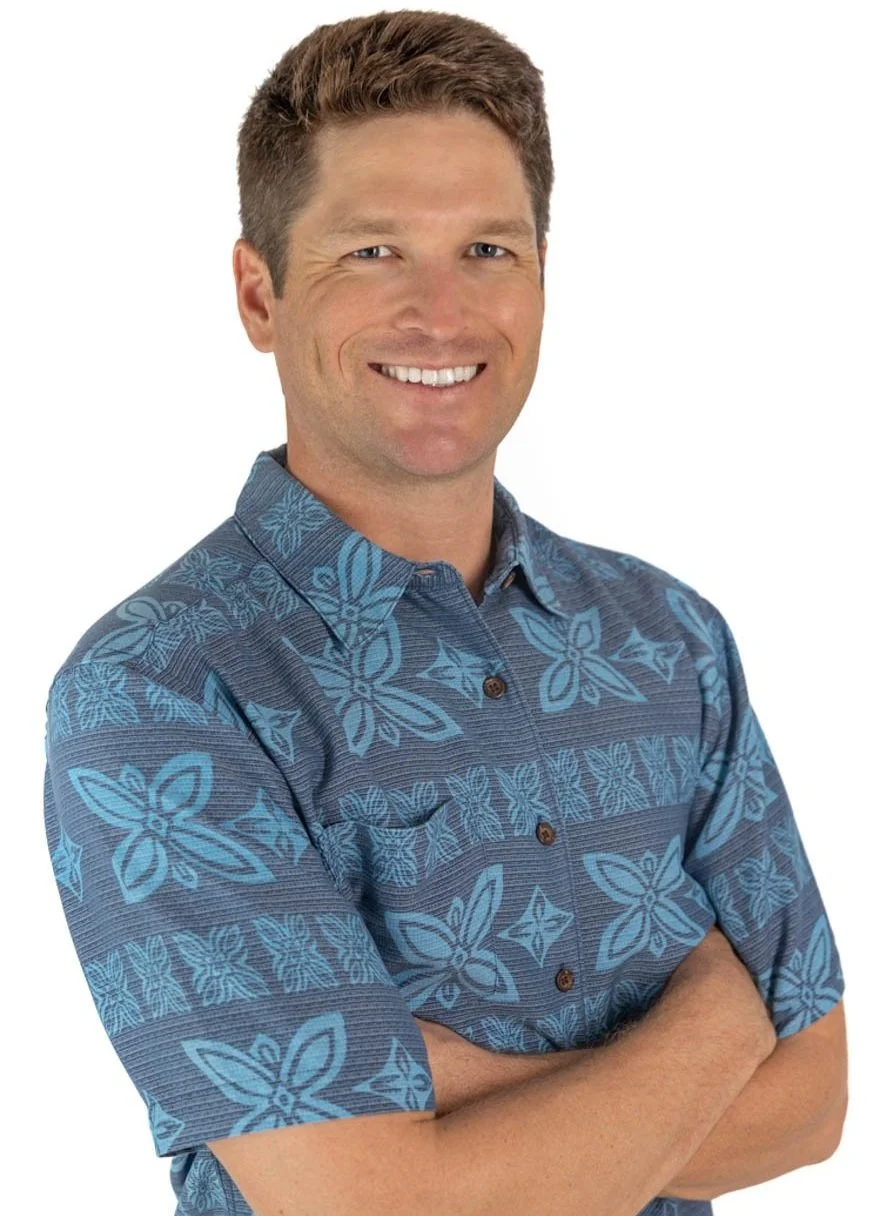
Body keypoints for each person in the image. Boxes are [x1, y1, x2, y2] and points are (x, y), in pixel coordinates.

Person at [43, 9, 847, 1216]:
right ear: (258, 295)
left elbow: (812, 1106)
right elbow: (370, 1203)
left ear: (540, 277)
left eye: (487, 249)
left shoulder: (666, 638)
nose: (441, 311)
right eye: (372, 252)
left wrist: (450, 1088)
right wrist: (718, 1021)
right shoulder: (159, 691)